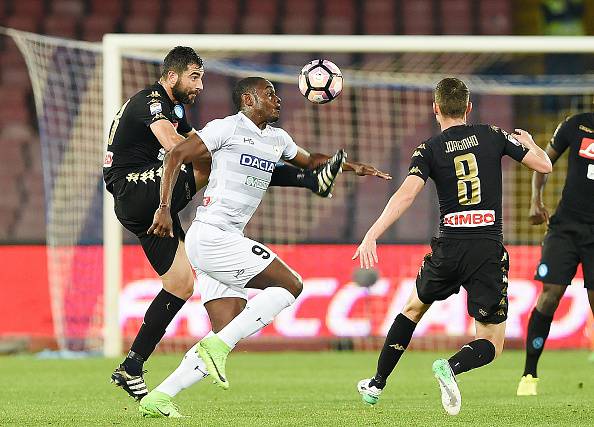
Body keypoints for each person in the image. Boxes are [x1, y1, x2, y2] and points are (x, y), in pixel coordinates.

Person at [102, 47, 378, 401]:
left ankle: (133, 366)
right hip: (136, 189)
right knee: (208, 160)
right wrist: (166, 204)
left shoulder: (179, 110)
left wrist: (347, 166)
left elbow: (201, 145)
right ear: (172, 77)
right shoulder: (151, 101)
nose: (200, 85)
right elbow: (176, 148)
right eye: (194, 76)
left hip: (151, 207)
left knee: (181, 285)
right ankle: (309, 182)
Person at [353, 77, 552, 415]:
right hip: (487, 248)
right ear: (468, 108)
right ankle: (452, 368)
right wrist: (531, 143)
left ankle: (376, 383)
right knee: (490, 341)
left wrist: (372, 232)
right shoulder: (493, 134)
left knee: (413, 309)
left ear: (435, 108)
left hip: (449, 247)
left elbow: (406, 195)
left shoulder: (428, 148)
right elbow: (544, 165)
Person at [516, 112, 594, 396]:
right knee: (550, 295)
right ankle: (529, 375)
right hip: (566, 228)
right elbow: (543, 162)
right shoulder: (577, 125)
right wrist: (535, 201)